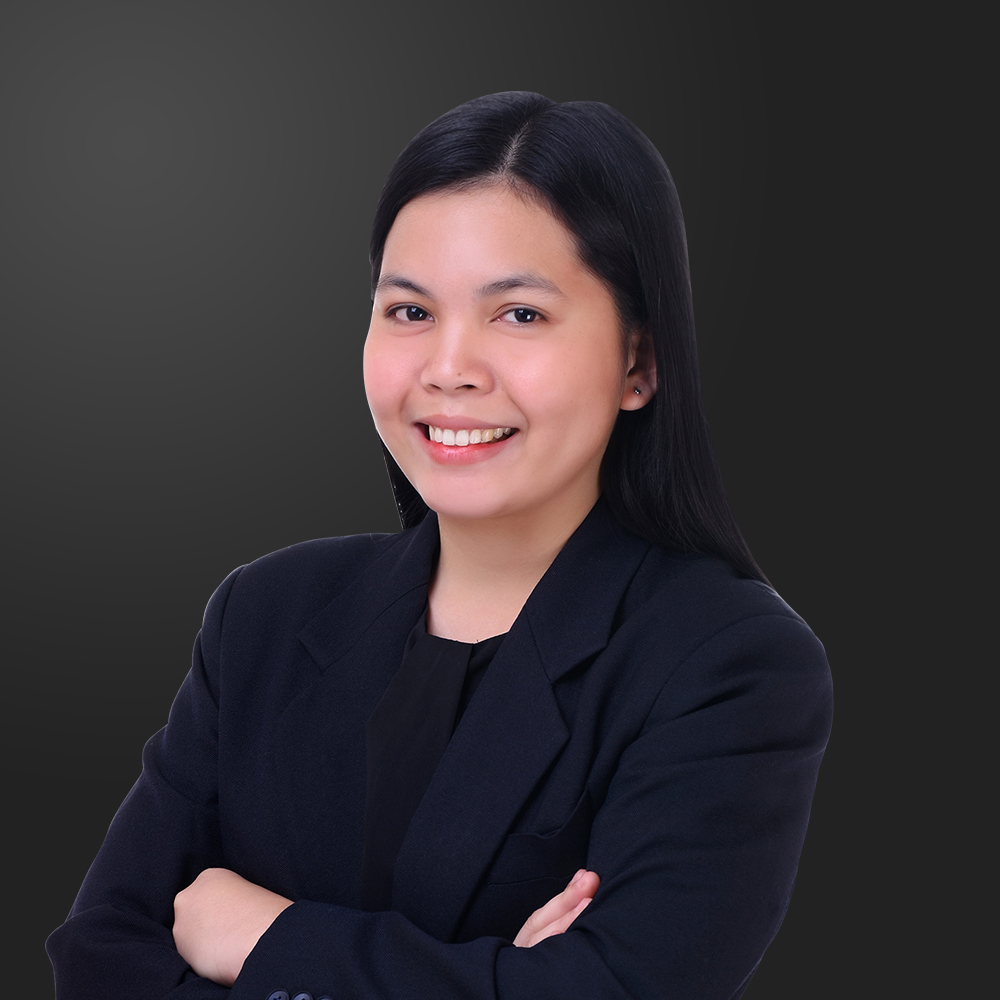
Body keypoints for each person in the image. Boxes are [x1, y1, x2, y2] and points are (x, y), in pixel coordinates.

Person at [47, 91, 833, 1000]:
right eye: (410, 312)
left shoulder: (728, 664)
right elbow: (97, 956)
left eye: (520, 314)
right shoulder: (263, 614)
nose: (449, 369)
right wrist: (502, 977)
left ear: (639, 363)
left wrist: (266, 938)